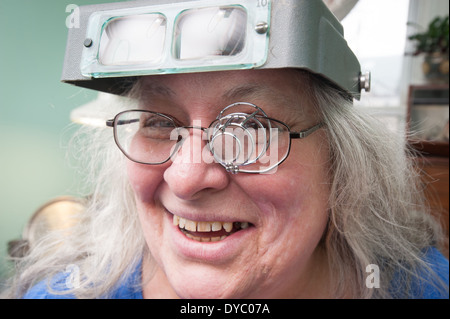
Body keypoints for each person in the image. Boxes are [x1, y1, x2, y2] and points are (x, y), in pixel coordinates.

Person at [3, 0, 449, 299]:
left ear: (341, 162)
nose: (187, 177)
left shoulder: (423, 284)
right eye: (160, 122)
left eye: (250, 126)